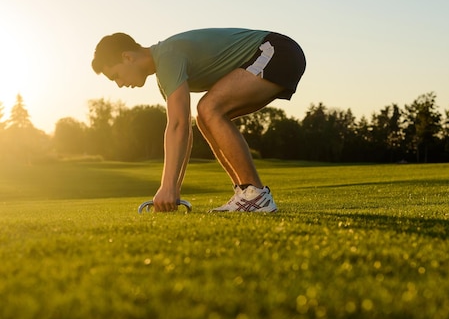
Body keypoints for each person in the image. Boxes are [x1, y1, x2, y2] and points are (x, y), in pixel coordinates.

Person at [91, 28, 306, 212]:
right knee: (205, 117)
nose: (119, 84)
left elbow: (178, 126)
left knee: (208, 108)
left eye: (115, 76)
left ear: (127, 57)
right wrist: (174, 187)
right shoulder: (163, 71)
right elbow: (184, 130)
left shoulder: (166, 56)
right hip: (278, 54)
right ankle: (246, 193)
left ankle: (256, 195)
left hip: (276, 51)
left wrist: (166, 186)